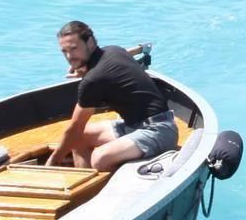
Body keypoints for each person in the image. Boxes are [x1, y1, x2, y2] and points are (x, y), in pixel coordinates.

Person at [50, 20, 177, 171]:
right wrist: (85, 71)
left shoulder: (93, 79)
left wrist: (54, 160)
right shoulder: (113, 50)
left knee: (100, 158)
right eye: (64, 51)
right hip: (134, 127)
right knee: (80, 138)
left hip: (159, 131)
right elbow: (112, 69)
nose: (69, 56)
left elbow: (75, 127)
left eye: (74, 48)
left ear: (90, 42)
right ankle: (85, 183)